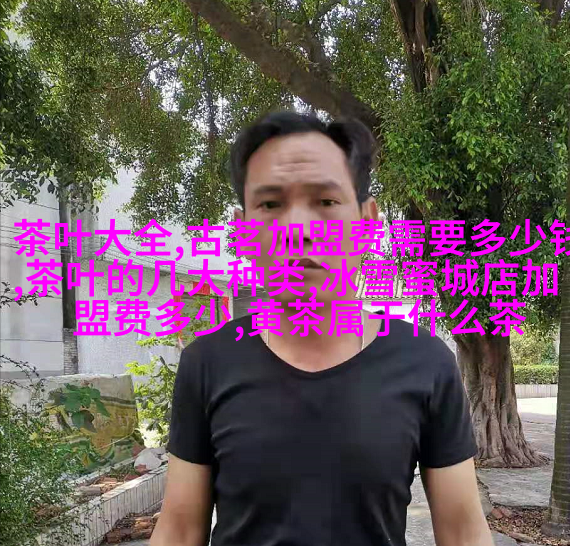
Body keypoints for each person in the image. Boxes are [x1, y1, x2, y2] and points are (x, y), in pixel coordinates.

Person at [150, 111, 494, 546]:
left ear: (368, 221)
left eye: (326, 202)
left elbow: (463, 531)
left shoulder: (426, 364)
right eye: (271, 205)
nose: (298, 229)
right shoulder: (208, 363)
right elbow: (180, 529)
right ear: (242, 230)